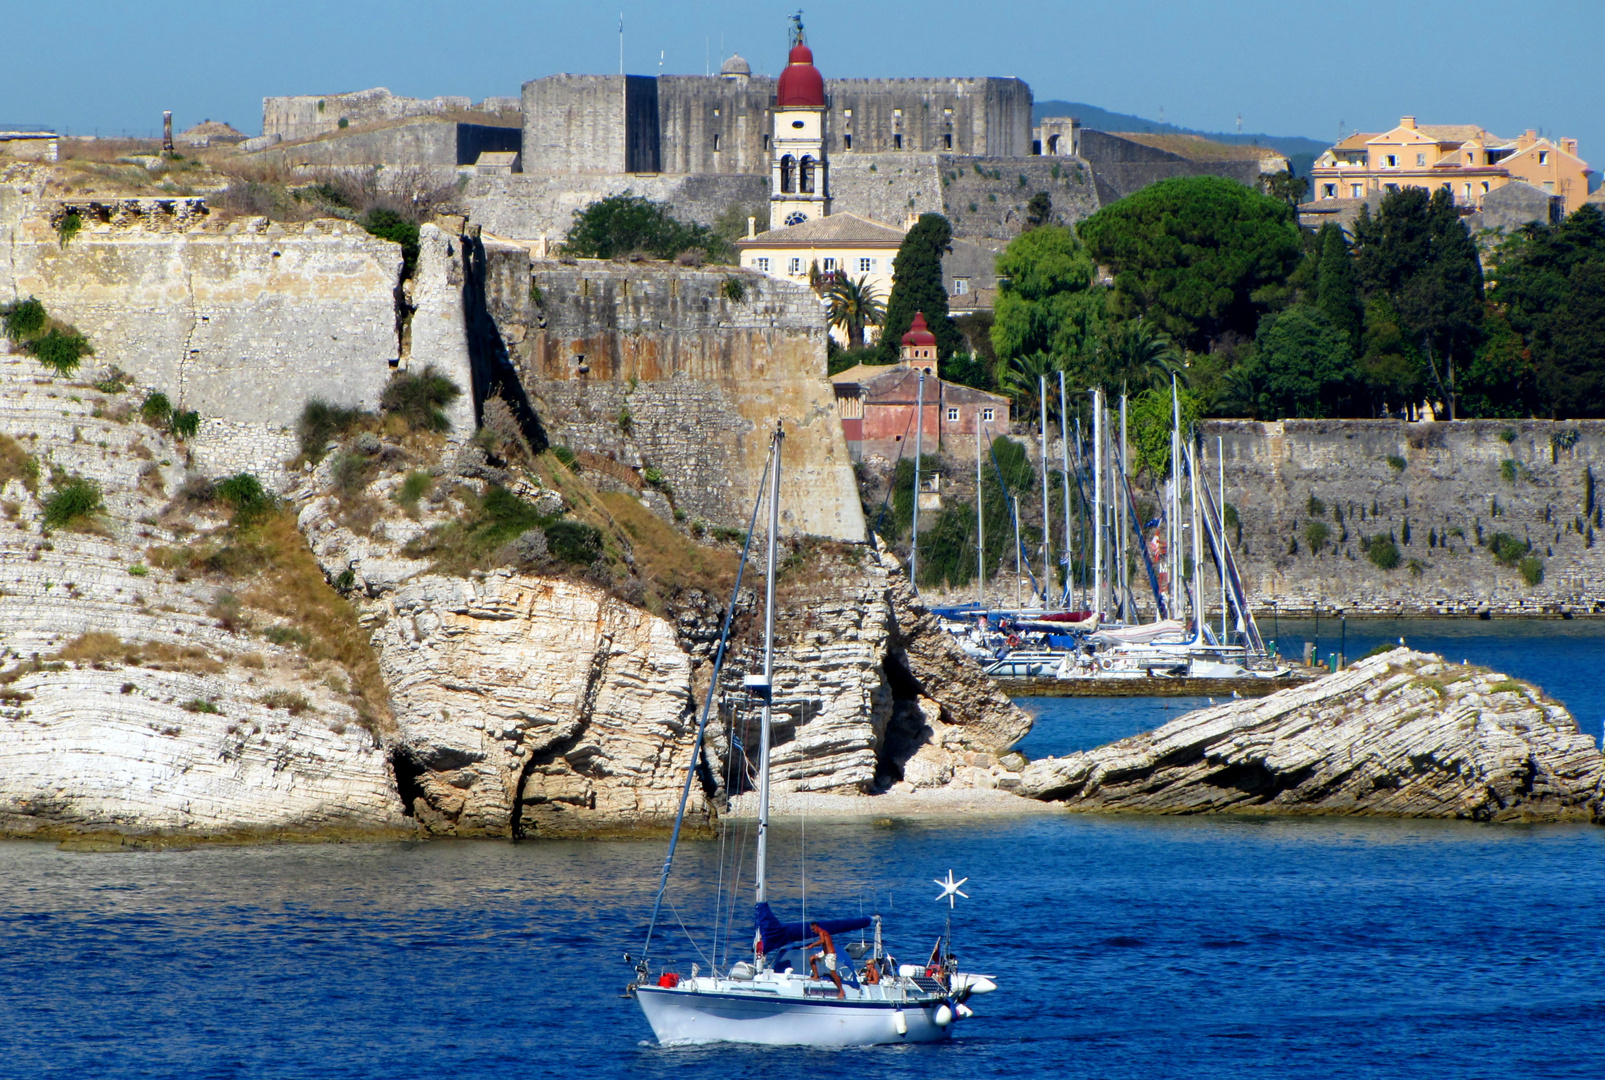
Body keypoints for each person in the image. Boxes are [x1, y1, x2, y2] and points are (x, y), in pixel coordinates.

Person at [807, 923, 844, 999]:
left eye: (813, 929)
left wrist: (812, 945)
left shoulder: (822, 932)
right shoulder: (822, 932)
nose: (813, 931)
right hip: (825, 953)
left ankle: (841, 991)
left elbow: (822, 941)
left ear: (816, 927)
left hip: (830, 954)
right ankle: (816, 975)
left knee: (833, 973)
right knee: (812, 958)